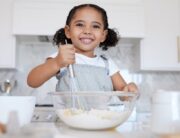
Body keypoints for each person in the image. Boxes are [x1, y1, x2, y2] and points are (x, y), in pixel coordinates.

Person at [27, 3, 138, 93]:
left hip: (100, 120)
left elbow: (124, 92)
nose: (87, 31)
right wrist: (57, 63)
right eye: (80, 25)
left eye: (95, 26)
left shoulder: (107, 64)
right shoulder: (62, 57)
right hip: (68, 120)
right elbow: (32, 81)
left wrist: (130, 89)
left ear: (103, 35)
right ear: (68, 31)